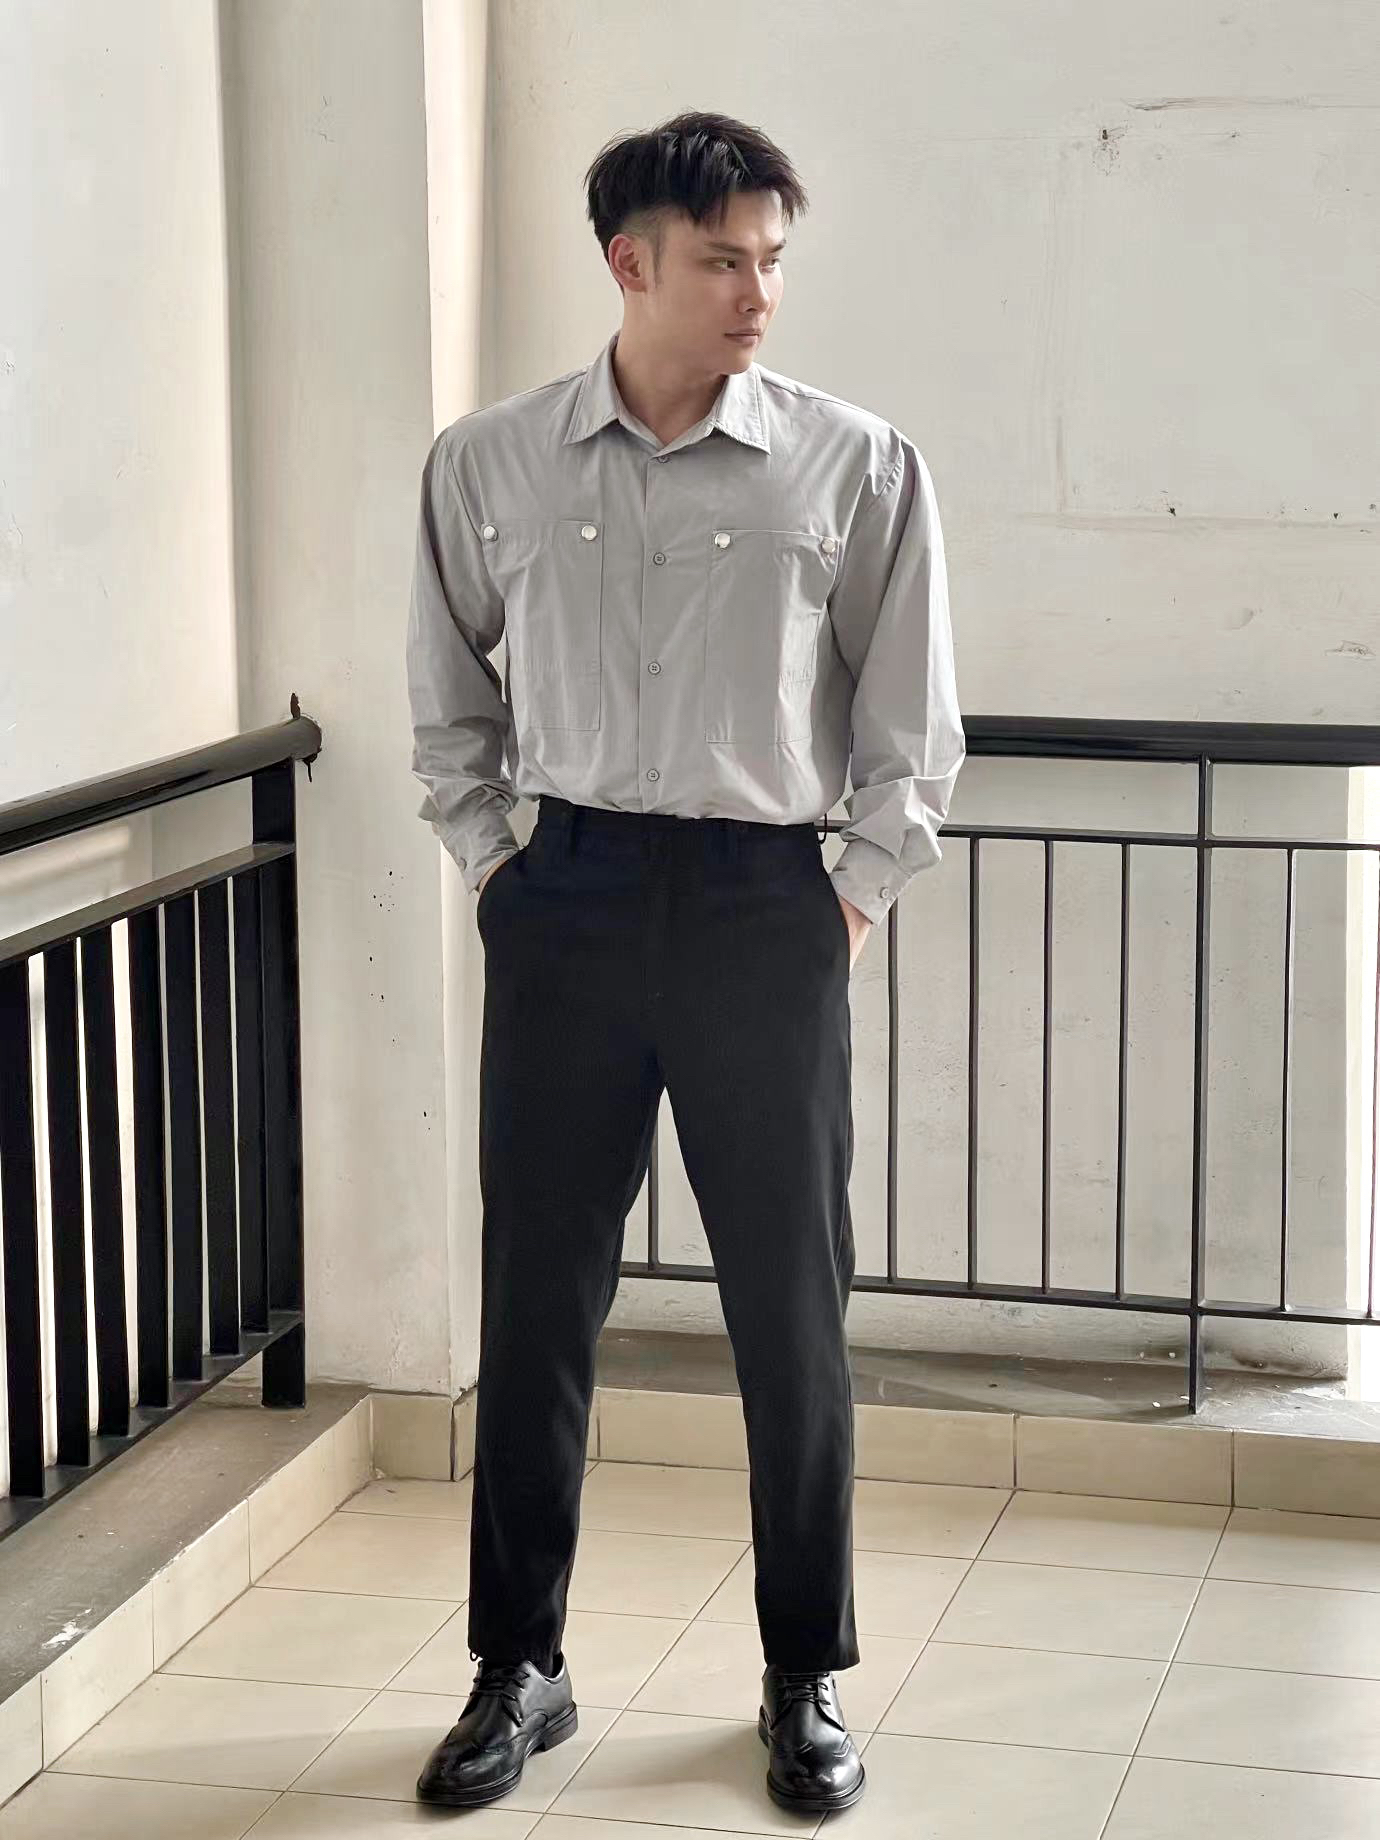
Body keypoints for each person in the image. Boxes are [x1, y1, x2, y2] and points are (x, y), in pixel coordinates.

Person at [405, 108, 965, 1815]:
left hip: (761, 910)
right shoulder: (489, 463)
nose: (758, 293)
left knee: (791, 1312)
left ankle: (805, 1673)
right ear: (628, 262)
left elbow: (912, 725)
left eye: (774, 260)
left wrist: (843, 900)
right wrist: (500, 870)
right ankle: (521, 1665)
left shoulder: (855, 463)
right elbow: (448, 704)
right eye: (725, 259)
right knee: (537, 1302)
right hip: (565, 901)